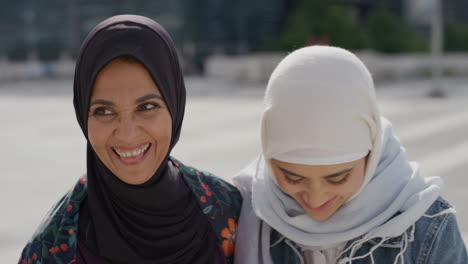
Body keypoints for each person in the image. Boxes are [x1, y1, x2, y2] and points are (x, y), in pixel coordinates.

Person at [19, 15, 241, 264]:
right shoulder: (53, 248)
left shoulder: (229, 209)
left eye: (147, 106)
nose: (127, 134)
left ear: (174, 105)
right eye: (104, 111)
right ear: (83, 116)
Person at [233, 46, 467, 264]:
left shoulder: (426, 225)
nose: (315, 199)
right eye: (293, 178)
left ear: (371, 153)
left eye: (337, 178)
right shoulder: (247, 209)